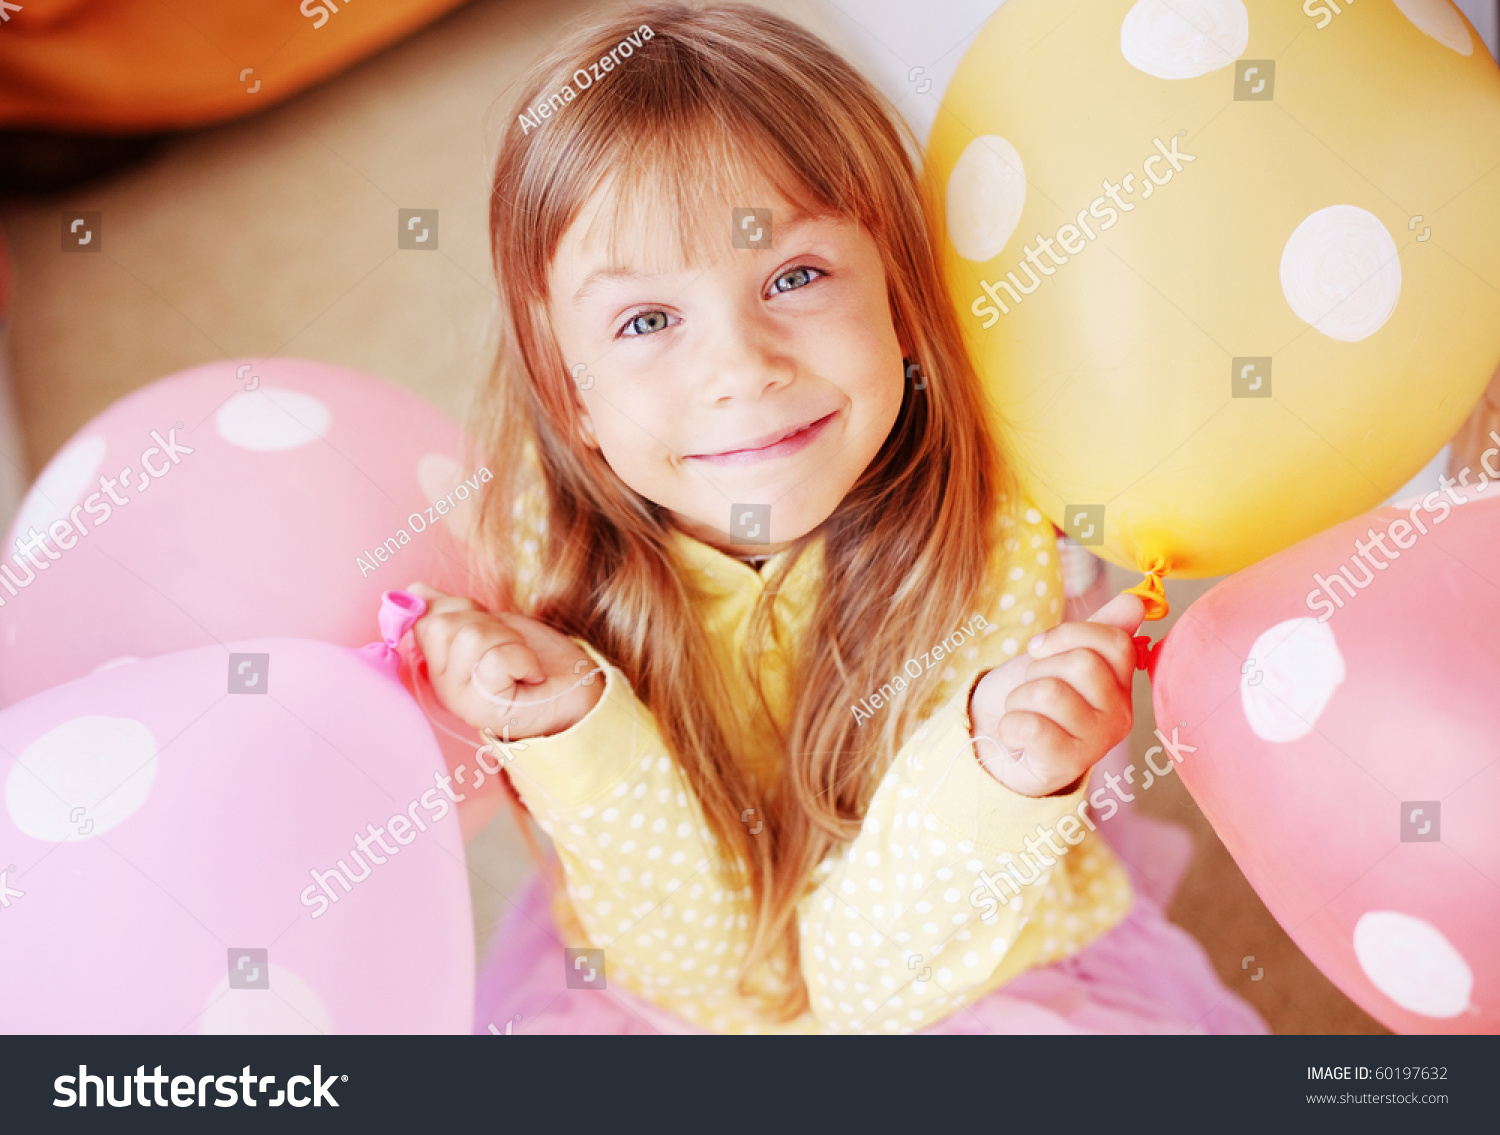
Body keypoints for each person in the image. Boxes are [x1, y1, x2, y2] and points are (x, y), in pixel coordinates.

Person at [409, 3, 1265, 1035]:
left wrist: (996, 772)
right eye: (646, 321)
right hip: (671, 983)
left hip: (955, 958)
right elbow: (700, 973)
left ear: (902, 296)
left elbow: (874, 986)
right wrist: (574, 730)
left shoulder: (995, 538)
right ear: (570, 396)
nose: (742, 366)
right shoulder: (540, 552)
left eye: (796, 275)